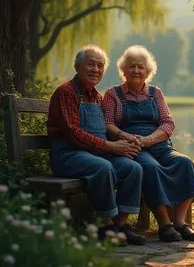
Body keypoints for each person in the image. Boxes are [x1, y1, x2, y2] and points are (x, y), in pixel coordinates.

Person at [48, 45, 146, 246]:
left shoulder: (96, 96)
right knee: (104, 167)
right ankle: (107, 225)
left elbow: (106, 128)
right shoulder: (66, 92)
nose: (95, 69)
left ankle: (120, 225)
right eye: (90, 64)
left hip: (95, 153)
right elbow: (74, 134)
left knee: (133, 168)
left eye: (100, 66)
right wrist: (112, 147)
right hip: (69, 155)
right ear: (77, 66)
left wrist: (124, 138)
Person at [103, 45, 194, 242]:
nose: (136, 71)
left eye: (141, 67)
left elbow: (168, 122)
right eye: (131, 66)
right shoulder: (113, 94)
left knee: (185, 163)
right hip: (133, 147)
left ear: (148, 71)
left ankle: (181, 223)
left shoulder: (156, 93)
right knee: (151, 168)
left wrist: (149, 139)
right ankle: (165, 225)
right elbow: (108, 124)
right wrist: (124, 135)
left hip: (159, 144)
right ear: (123, 70)